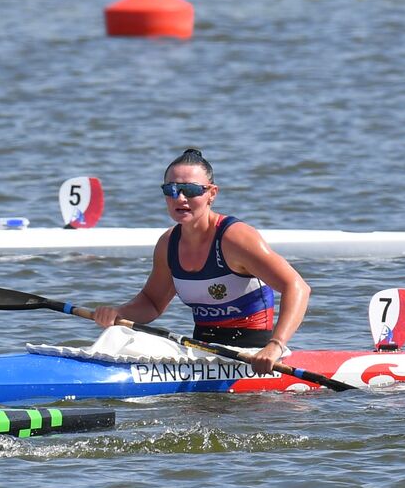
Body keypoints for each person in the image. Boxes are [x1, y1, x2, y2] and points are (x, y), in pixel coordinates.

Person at [92, 149, 310, 375]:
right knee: (116, 334)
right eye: (171, 190)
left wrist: (275, 346)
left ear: (212, 193)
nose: (180, 198)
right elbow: (152, 303)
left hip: (251, 354)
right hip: (201, 351)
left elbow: (297, 287)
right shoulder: (168, 243)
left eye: (191, 190)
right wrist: (117, 313)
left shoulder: (235, 238)